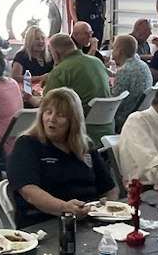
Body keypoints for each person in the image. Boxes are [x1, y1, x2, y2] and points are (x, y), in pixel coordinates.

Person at [6, 86, 115, 226]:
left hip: (89, 218)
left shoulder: (85, 145)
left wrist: (108, 213)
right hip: (45, 221)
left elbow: (109, 189)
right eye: (48, 112)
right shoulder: (27, 144)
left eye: (60, 115)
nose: (52, 119)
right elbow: (29, 192)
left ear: (73, 120)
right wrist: (65, 208)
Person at [44, 32, 108, 119]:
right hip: (107, 122)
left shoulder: (60, 71)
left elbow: (47, 103)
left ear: (55, 53)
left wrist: (30, 100)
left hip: (79, 126)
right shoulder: (97, 62)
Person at [107, 34, 153, 132]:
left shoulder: (125, 71)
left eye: (113, 48)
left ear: (118, 52)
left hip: (124, 118)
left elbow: (114, 101)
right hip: (140, 115)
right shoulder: (143, 65)